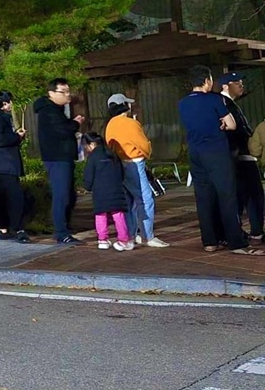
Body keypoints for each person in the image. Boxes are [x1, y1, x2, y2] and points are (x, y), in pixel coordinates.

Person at [179, 65, 260, 255]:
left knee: (204, 197)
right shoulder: (214, 99)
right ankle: (236, 242)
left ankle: (209, 241)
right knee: (227, 195)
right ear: (207, 81)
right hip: (216, 151)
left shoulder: (182, 103)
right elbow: (231, 124)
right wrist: (222, 124)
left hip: (196, 152)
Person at [104, 95, 167, 248]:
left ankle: (130, 235)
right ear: (124, 105)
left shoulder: (110, 124)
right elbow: (143, 145)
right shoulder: (130, 123)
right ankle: (147, 236)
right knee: (145, 200)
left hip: (118, 164)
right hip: (134, 162)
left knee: (128, 201)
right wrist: (147, 153)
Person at [33, 78, 85, 244]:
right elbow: (63, 130)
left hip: (63, 157)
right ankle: (61, 232)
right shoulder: (49, 111)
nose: (68, 95)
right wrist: (75, 123)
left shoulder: (56, 109)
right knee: (61, 195)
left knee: (69, 194)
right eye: (63, 92)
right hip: (57, 158)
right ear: (51, 93)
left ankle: (65, 227)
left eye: (68, 91)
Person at [220, 72, 264, 243]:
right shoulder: (224, 103)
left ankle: (251, 230)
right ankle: (250, 231)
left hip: (239, 155)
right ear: (226, 85)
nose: (241, 86)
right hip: (240, 155)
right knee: (252, 195)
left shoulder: (229, 103)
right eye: (237, 83)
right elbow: (237, 130)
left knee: (246, 195)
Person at [0, 91, 30, 242]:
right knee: (15, 197)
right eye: (9, 102)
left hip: (1, 163)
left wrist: (16, 137)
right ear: (4, 104)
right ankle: (18, 229)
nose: (11, 105)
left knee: (4, 197)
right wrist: (16, 137)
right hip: (5, 163)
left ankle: (3, 229)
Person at [82, 132, 133, 251]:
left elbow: (89, 176)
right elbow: (121, 173)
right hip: (116, 190)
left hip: (100, 192)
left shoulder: (93, 157)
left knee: (100, 215)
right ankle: (123, 241)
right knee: (118, 215)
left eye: (86, 145)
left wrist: (88, 187)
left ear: (92, 144)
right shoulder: (113, 154)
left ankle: (102, 240)